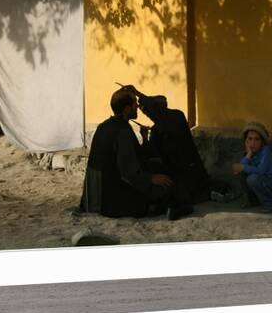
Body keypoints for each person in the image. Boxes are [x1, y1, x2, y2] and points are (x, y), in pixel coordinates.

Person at [79, 88, 193, 220]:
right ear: (127, 109)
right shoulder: (123, 131)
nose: (137, 108)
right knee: (167, 186)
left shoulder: (104, 126)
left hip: (94, 196)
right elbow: (128, 172)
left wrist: (144, 138)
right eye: (134, 105)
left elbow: (131, 157)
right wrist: (152, 178)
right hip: (110, 200)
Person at [121, 85, 212, 205]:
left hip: (188, 172)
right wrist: (144, 138)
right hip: (172, 172)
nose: (146, 113)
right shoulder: (156, 129)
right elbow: (151, 154)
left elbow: (158, 113)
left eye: (147, 111)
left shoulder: (177, 117)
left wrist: (138, 93)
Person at [231, 122, 272, 213]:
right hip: (261, 182)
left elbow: (261, 171)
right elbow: (239, 168)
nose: (252, 143)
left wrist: (243, 167)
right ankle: (252, 200)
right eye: (249, 139)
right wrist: (248, 155)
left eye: (256, 139)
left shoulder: (266, 152)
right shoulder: (249, 152)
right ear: (246, 141)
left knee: (252, 178)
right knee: (243, 173)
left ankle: (271, 203)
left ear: (262, 142)